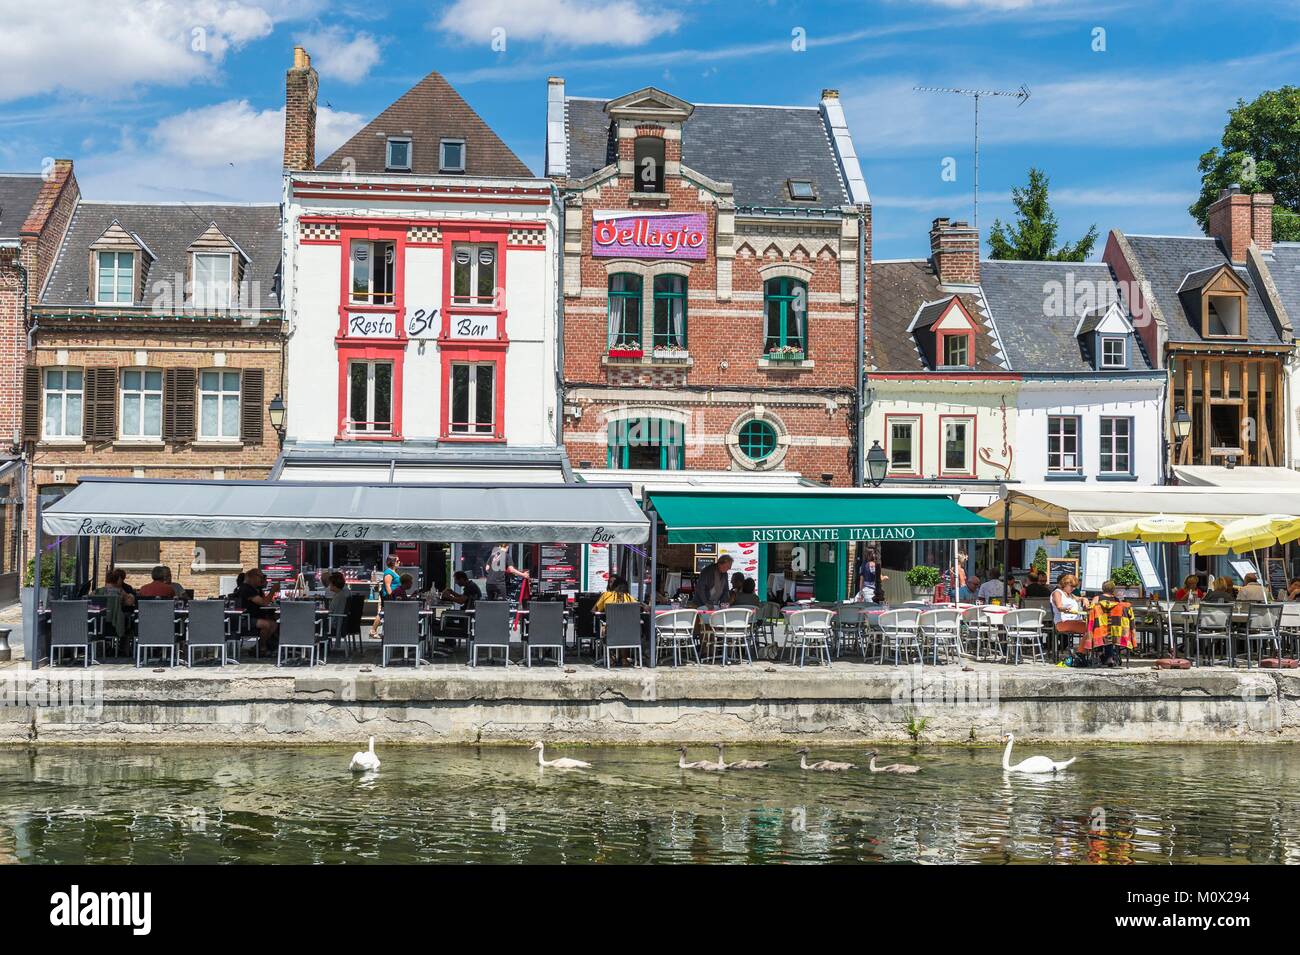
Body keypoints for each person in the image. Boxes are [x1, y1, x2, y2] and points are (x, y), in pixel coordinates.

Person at [1080, 579, 1136, 668]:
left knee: (1101, 632)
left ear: (1102, 589)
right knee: (1109, 635)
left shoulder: (1097, 598)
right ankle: (1109, 657)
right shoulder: (1117, 600)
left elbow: (1091, 611)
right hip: (1115, 629)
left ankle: (1099, 654)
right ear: (1113, 590)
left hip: (1100, 627)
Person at [235, 568, 278, 651]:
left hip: (253, 616)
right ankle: (261, 647)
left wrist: (263, 587)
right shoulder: (246, 589)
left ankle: (260, 646)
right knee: (267, 625)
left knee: (274, 623)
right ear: (252, 577)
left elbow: (265, 601)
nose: (262, 579)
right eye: (261, 577)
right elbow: (264, 603)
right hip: (245, 619)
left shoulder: (254, 589)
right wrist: (273, 590)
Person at [1051, 573, 1091, 652]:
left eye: (1074, 587)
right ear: (1065, 584)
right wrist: (1065, 609)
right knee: (1091, 629)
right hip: (1062, 622)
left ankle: (1085, 652)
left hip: (1074, 621)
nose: (1073, 589)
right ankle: (1081, 653)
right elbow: (1059, 606)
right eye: (1071, 586)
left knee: (1093, 627)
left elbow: (1080, 598)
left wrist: (1084, 599)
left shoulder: (1070, 595)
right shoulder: (1057, 593)